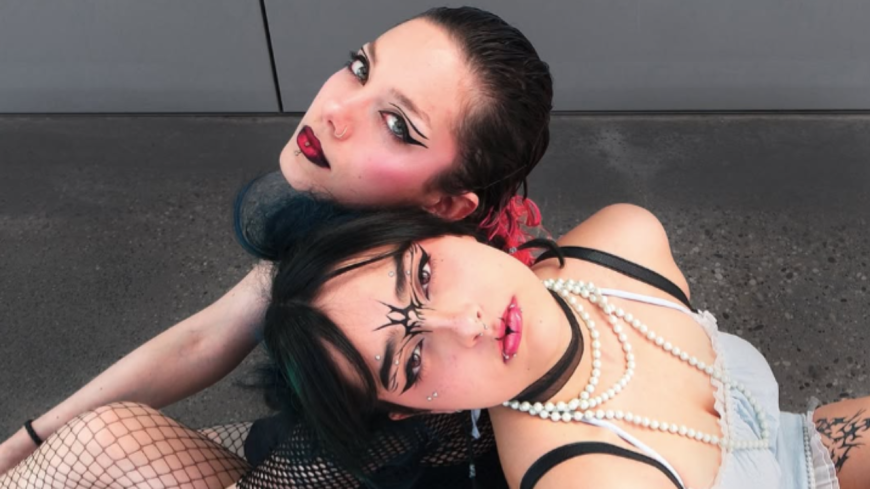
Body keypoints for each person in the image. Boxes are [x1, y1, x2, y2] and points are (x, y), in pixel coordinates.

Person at [0, 5, 553, 483]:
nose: (333, 112)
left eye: (395, 125)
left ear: (446, 206)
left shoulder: (453, 347)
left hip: (363, 474)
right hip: (295, 448)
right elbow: (204, 339)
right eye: (361, 69)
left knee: (99, 443)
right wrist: (23, 443)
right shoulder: (369, 235)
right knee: (83, 449)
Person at [244, 202, 866, 489]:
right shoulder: (588, 479)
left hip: (812, 444)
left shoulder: (622, 241)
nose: (466, 324)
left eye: (424, 274)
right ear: (409, 411)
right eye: (410, 360)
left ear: (446, 227)